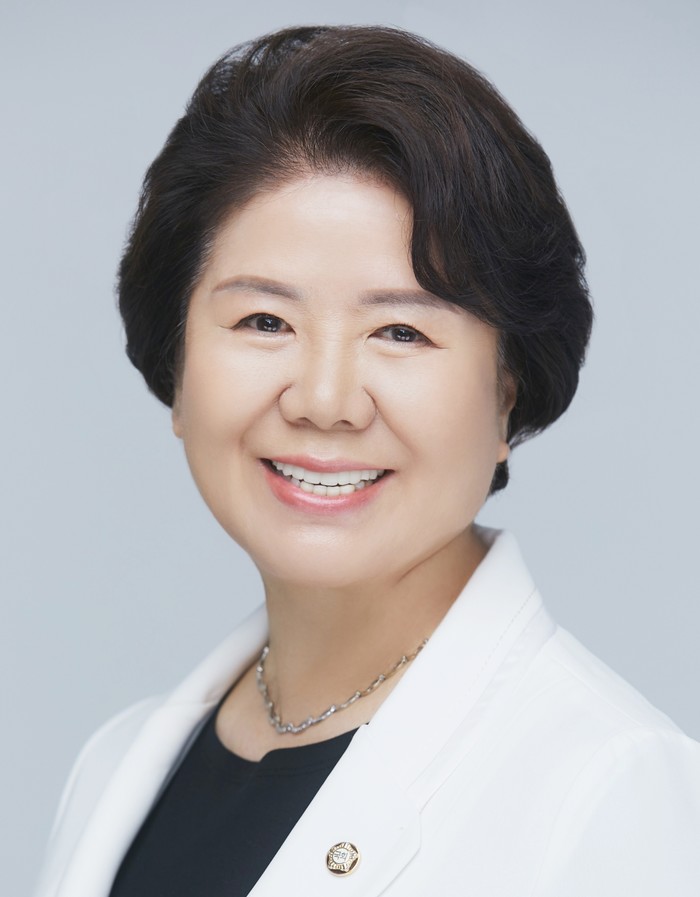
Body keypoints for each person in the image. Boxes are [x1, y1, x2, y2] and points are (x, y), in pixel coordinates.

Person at [35, 24, 700, 897]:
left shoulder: (608, 791)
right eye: (264, 321)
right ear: (178, 366)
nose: (325, 398)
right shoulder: (115, 766)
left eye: (400, 331)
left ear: (507, 391)